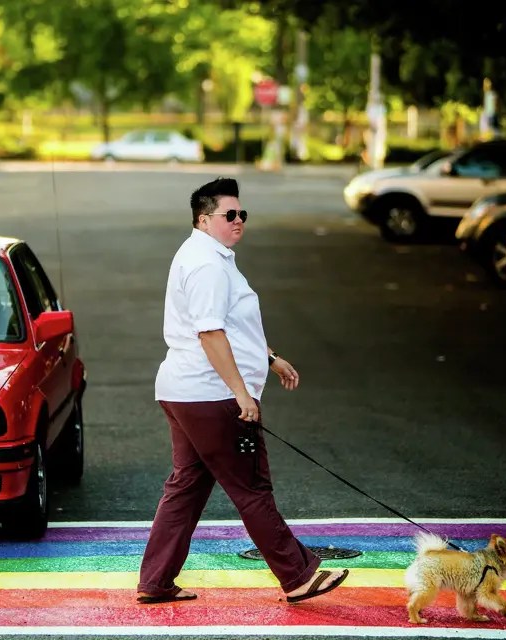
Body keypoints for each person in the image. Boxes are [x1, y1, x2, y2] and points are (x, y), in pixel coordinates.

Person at [136, 177, 348, 605]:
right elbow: (211, 333)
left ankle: (155, 581)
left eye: (242, 214)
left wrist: (270, 358)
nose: (238, 221)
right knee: (251, 488)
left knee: (186, 486)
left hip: (188, 392)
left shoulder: (211, 256)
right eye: (228, 215)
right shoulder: (208, 264)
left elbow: (233, 326)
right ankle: (297, 575)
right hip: (210, 395)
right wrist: (242, 394)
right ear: (203, 218)